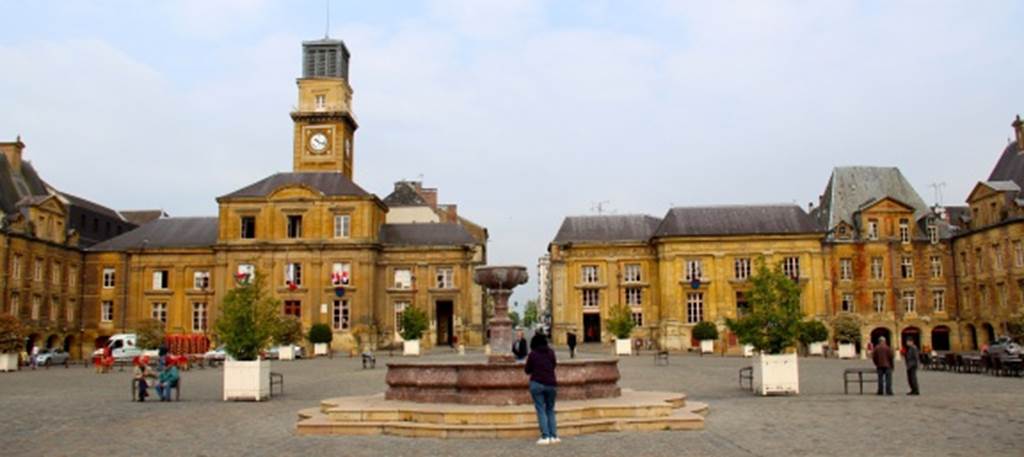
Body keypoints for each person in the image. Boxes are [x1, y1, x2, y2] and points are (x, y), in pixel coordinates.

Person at [525, 333, 559, 445]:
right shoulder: (551, 352)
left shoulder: (533, 354)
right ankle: (554, 436)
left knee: (541, 409)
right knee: (550, 409)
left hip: (537, 383)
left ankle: (545, 436)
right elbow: (554, 365)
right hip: (551, 383)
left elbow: (527, 370)